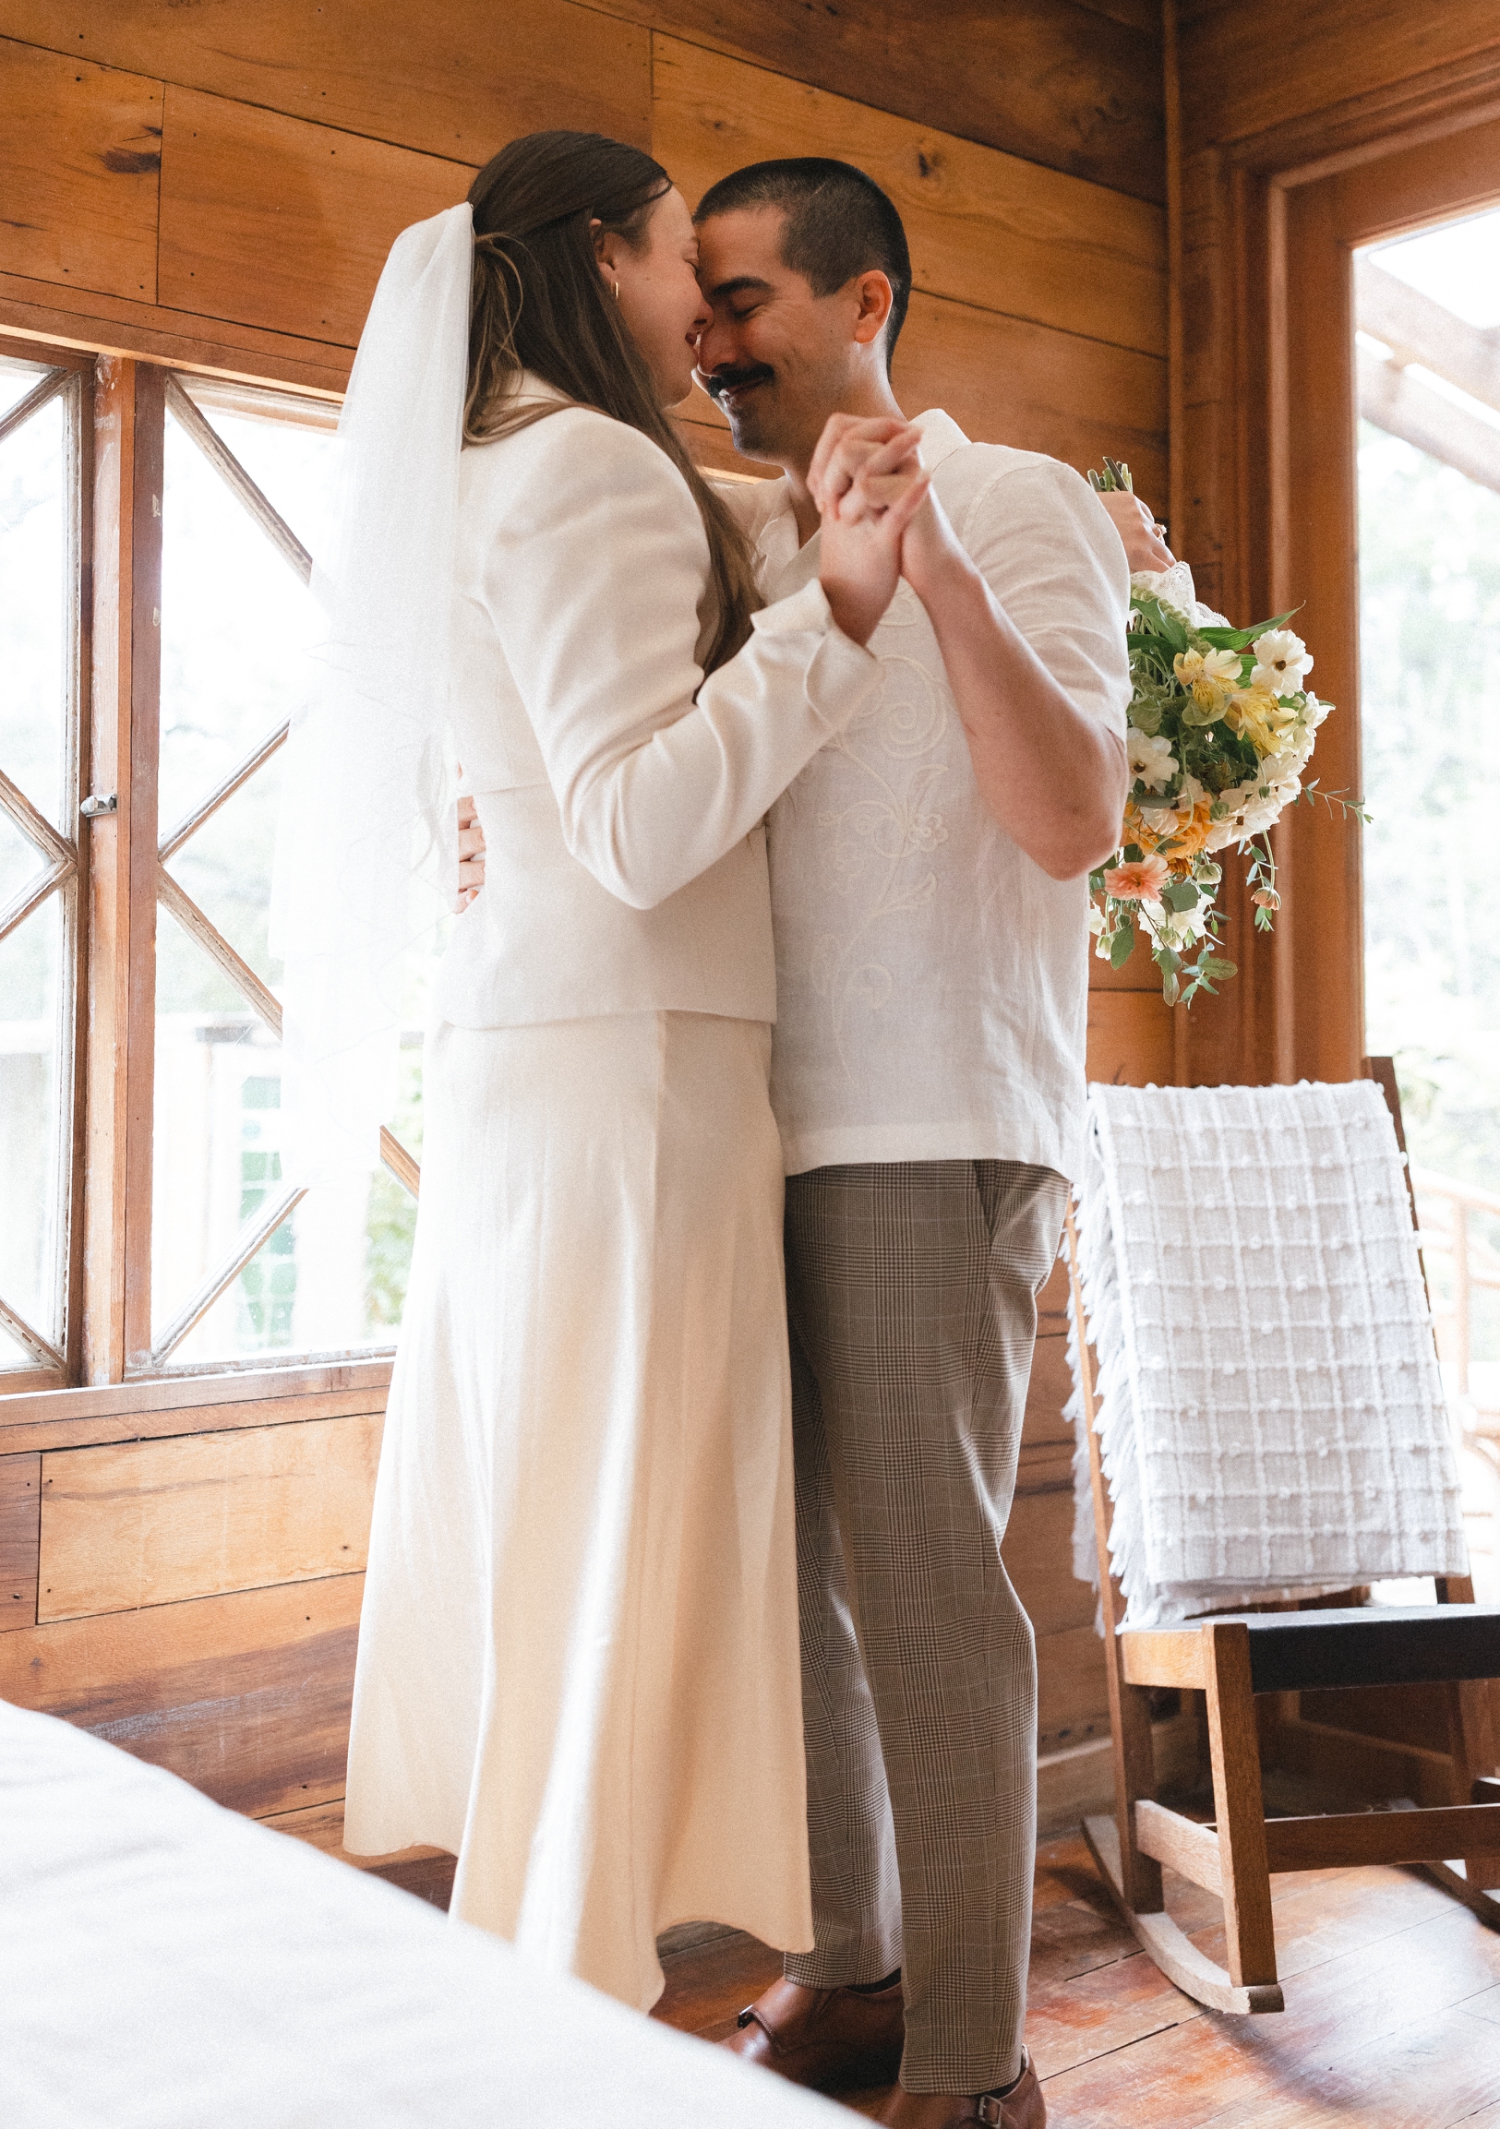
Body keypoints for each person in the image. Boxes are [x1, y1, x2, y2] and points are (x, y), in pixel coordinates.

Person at [281, 132, 937, 2019]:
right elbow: (641, 823)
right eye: (683, 266)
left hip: (555, 1057)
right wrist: (842, 622)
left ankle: (550, 1960)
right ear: (597, 259)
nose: (707, 317)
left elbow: (577, 695)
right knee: (613, 1519)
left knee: (573, 1513)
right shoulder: (581, 468)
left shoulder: (509, 466)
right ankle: (560, 1983)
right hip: (637, 1072)